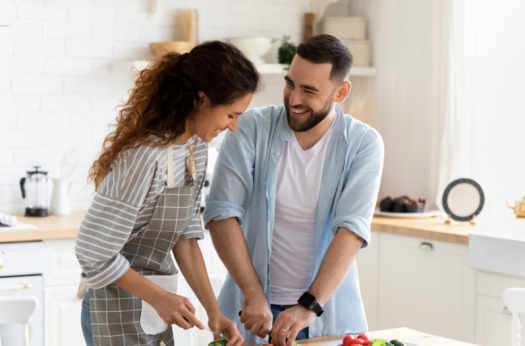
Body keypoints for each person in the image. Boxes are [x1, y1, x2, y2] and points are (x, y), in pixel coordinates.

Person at [75, 41, 260, 346]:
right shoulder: (144, 157)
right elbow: (92, 252)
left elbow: (184, 237)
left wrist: (214, 312)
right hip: (114, 309)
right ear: (202, 100)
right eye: (230, 114)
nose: (234, 126)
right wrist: (160, 298)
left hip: (152, 310)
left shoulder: (195, 148)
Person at [204, 34, 384, 346]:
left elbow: (352, 230)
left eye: (310, 91)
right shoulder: (250, 127)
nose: (294, 99)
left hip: (326, 315)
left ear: (341, 92)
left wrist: (309, 306)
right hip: (251, 312)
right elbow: (222, 213)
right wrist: (252, 292)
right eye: (291, 84)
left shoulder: (363, 144)